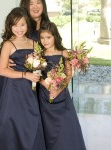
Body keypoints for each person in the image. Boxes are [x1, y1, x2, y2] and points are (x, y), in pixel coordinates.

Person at [0, 0, 50, 138]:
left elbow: (41, 60)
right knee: (13, 115)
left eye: (22, 25)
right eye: (15, 25)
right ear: (10, 26)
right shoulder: (9, 43)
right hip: (15, 85)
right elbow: (2, 69)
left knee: (31, 114)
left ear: (27, 25)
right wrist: (21, 70)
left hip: (32, 84)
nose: (19, 28)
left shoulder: (35, 40)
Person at [38, 21, 86, 150]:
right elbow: (37, 75)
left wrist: (57, 90)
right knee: (46, 125)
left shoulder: (63, 53)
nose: (45, 41)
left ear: (55, 36)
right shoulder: (39, 54)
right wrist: (47, 86)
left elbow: (69, 74)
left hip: (61, 94)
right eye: (42, 38)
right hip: (44, 94)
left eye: (48, 37)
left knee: (66, 124)